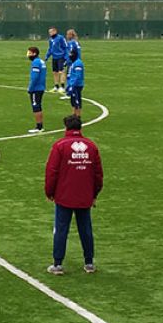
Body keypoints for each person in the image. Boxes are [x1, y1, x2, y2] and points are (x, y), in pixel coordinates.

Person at [45, 115, 103, 275]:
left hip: (64, 196)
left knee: (61, 229)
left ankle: (57, 265)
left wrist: (49, 192)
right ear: (80, 128)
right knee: (86, 229)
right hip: (85, 196)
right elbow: (98, 174)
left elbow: (52, 171)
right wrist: (94, 193)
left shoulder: (60, 146)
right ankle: (89, 263)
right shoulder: (91, 146)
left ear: (66, 128)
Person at [27, 46, 47, 133]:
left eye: (30, 53)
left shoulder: (35, 62)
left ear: (35, 53)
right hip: (41, 86)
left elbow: (35, 77)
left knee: (36, 106)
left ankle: (39, 126)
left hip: (36, 88)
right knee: (38, 106)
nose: (28, 55)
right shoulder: (41, 61)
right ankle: (40, 125)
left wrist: (30, 88)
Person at [45, 27, 67, 93]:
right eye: (49, 32)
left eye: (51, 32)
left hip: (61, 57)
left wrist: (66, 57)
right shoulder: (51, 40)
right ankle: (56, 86)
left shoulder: (61, 38)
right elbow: (50, 49)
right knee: (55, 72)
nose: (50, 33)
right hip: (54, 57)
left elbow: (65, 47)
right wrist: (47, 56)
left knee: (61, 71)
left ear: (55, 31)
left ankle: (62, 86)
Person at [65, 49, 84, 117]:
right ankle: (74, 114)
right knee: (73, 100)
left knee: (76, 100)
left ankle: (78, 115)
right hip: (73, 84)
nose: (70, 56)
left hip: (76, 85)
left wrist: (72, 86)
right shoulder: (73, 63)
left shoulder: (78, 63)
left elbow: (77, 76)